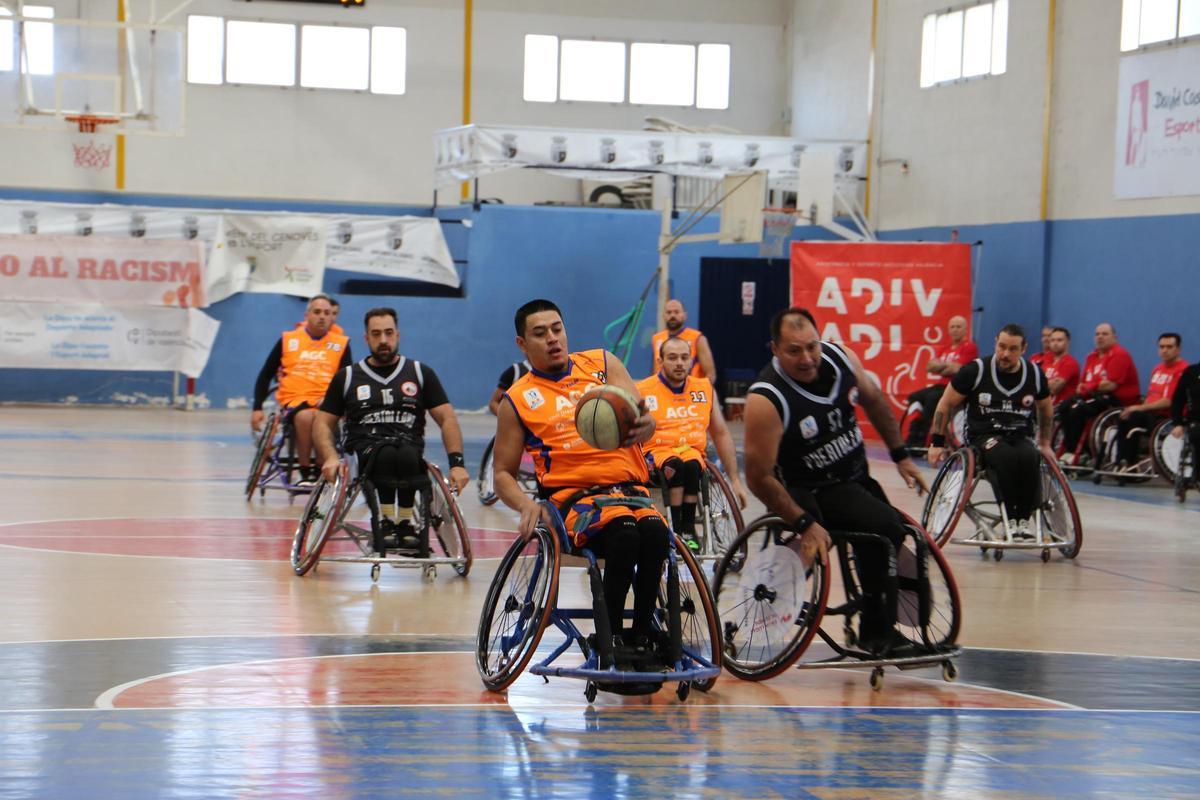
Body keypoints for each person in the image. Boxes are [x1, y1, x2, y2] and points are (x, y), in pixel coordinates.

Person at [743, 307, 929, 655]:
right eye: (794, 350)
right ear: (775, 349)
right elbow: (757, 477)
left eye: (811, 346)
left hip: (854, 477)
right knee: (884, 529)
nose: (806, 358)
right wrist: (803, 522)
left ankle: (878, 613)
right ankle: (876, 633)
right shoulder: (766, 399)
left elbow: (874, 400)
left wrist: (900, 455)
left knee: (897, 530)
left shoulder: (842, 358)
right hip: (807, 490)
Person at [492, 298, 666, 665]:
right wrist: (525, 504)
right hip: (574, 499)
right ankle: (610, 636)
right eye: (540, 333)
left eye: (557, 329)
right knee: (624, 534)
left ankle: (642, 637)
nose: (552, 339)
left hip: (631, 490)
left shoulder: (603, 364)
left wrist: (647, 426)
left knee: (654, 533)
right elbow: (502, 474)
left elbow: (644, 419)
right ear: (522, 343)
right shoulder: (518, 399)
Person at [313, 307, 470, 553]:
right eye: (376, 334)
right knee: (386, 453)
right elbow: (322, 422)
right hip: (365, 450)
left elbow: (447, 418)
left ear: (397, 334)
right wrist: (330, 457)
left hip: (409, 448)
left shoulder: (420, 373)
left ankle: (404, 524)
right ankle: (386, 521)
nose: (383, 340)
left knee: (406, 453)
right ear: (367, 338)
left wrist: (457, 463)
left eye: (388, 333)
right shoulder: (347, 377)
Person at [928, 324, 1053, 537]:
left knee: (1030, 455)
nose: (1005, 354)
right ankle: (1010, 518)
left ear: (1024, 349)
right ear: (995, 343)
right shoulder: (975, 371)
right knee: (1004, 456)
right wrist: (936, 442)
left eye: (1012, 349)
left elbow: (1046, 408)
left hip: (1019, 434)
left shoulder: (1034, 374)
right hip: (983, 436)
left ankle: (1022, 520)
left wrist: (1045, 443)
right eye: (1001, 346)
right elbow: (945, 403)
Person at [636, 336, 748, 550]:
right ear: (660, 361)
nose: (679, 363)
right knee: (675, 465)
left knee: (693, 465)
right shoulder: (642, 390)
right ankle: (676, 528)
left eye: (684, 357)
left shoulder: (704, 389)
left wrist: (734, 480)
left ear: (691, 361)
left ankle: (688, 529)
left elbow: (721, 434)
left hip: (690, 451)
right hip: (657, 453)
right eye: (672, 357)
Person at [252, 294, 351, 486]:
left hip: (325, 401)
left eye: (327, 313)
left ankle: (322, 468)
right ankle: (305, 471)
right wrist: (257, 408)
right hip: (295, 399)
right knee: (306, 417)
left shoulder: (341, 344)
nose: (322, 316)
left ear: (332, 317)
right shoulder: (288, 339)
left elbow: (348, 379)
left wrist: (342, 404)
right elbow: (265, 375)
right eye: (317, 312)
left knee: (323, 416)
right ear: (307, 315)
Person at [1058, 322, 1140, 464]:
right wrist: (1089, 386)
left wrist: (1090, 386)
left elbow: (1110, 385)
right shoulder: (1092, 356)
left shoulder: (1120, 354)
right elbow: (1083, 383)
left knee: (1078, 410)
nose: (1100, 337)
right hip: (1095, 395)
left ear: (1114, 337)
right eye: (1097, 334)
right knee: (1064, 407)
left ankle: (1074, 451)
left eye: (1104, 334)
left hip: (1117, 400)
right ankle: (1072, 448)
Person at [903, 315, 979, 448]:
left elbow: (958, 369)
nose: (955, 330)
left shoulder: (969, 347)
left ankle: (922, 440)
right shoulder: (945, 348)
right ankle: (913, 434)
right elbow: (929, 367)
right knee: (914, 397)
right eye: (952, 327)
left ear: (965, 329)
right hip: (940, 385)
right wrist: (948, 367)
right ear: (948, 330)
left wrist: (941, 366)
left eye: (958, 327)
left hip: (955, 387)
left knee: (932, 399)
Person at [1114, 333, 1188, 469]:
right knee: (1124, 416)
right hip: (1150, 413)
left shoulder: (1182, 370)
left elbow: (1168, 401)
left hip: (1167, 418)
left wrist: (1138, 408)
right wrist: (1136, 408)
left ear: (1178, 349)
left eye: (1169, 347)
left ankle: (1129, 462)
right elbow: (1150, 397)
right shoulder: (1157, 369)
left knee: (1134, 416)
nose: (1164, 350)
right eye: (1161, 347)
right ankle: (1120, 461)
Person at [650, 299, 717, 381]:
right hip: (661, 387)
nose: (672, 315)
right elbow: (655, 370)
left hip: (690, 387)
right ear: (663, 315)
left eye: (676, 312)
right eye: (669, 312)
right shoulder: (656, 338)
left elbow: (710, 374)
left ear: (684, 315)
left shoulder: (697, 338)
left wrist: (701, 388)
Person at [1169, 359, 1200, 470]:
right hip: (1197, 420)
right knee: (1197, 434)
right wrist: (1177, 423)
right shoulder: (1191, 372)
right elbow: (1178, 399)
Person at [1042, 327, 1080, 406]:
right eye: (1053, 340)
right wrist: (1048, 382)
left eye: (1059, 340)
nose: (1055, 343)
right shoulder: (1046, 360)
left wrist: (1040, 383)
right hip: (1045, 406)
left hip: (1062, 408)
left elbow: (1054, 388)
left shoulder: (1070, 363)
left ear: (1067, 342)